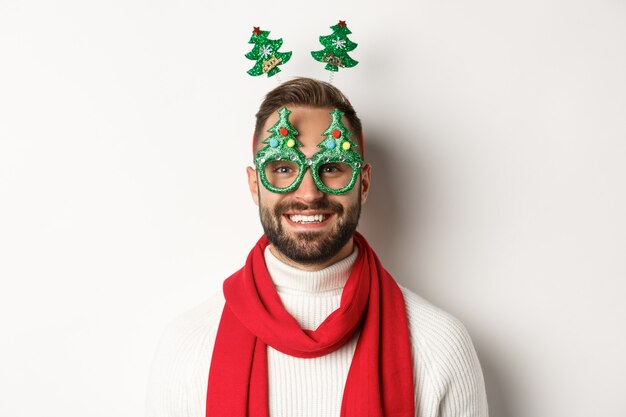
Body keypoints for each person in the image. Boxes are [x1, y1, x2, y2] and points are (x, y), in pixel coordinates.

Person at [145, 77, 489, 417]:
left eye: (331, 167)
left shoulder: (439, 347)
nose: (309, 193)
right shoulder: (187, 347)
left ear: (364, 184)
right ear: (254, 185)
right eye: (282, 168)